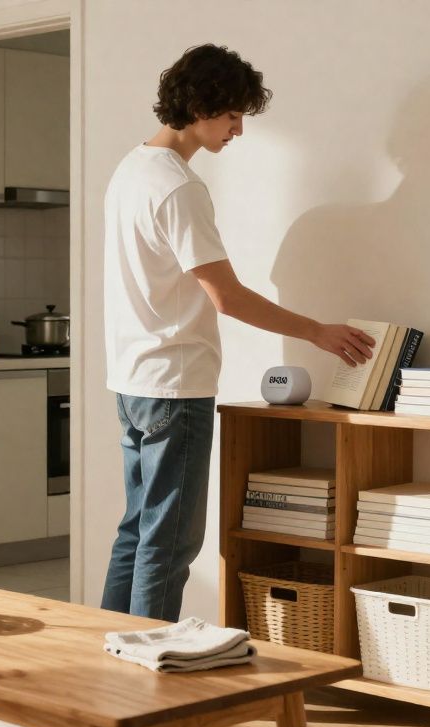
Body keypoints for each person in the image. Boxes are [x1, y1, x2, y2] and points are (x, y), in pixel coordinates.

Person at [102, 44, 375, 622]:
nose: (239, 130)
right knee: (169, 542)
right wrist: (316, 332)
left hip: (131, 381)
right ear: (201, 107)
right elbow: (226, 296)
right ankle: (150, 663)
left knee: (137, 528)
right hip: (175, 386)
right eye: (232, 116)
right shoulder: (178, 187)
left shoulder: (130, 170)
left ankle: (106, 654)